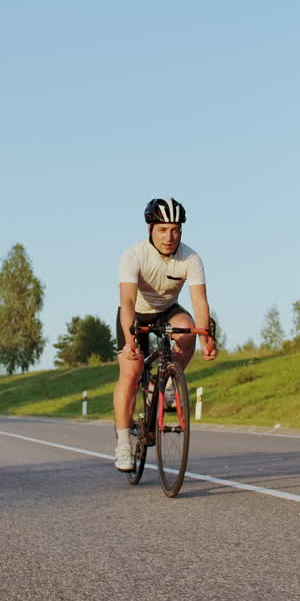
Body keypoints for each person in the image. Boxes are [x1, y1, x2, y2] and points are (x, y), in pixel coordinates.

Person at [112, 197, 216, 471]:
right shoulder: (133, 255)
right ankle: (123, 444)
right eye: (163, 229)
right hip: (136, 313)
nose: (170, 237)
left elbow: (200, 303)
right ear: (150, 230)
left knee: (187, 329)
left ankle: (168, 385)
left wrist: (206, 338)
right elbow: (127, 303)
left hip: (167, 310)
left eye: (175, 230)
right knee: (131, 369)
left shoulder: (190, 258)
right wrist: (131, 339)